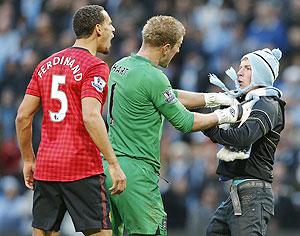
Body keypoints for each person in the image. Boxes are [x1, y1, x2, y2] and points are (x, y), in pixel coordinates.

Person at [103, 15, 244, 236]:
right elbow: (185, 122)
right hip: (137, 174)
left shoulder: (121, 66)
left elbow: (168, 95)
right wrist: (226, 115)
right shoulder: (154, 77)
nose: (178, 52)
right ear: (166, 47)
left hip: (110, 168)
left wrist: (212, 99)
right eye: (177, 47)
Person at [15, 5, 126, 236]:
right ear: (98, 29)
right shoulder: (94, 67)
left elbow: (23, 116)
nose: (113, 30)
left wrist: (28, 159)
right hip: (82, 168)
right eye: (109, 25)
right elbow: (91, 116)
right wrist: (113, 164)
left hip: (46, 167)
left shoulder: (45, 65)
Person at [203, 48, 286, 236]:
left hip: (253, 194)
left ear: (262, 74)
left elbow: (242, 138)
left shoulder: (268, 104)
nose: (239, 72)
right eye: (241, 67)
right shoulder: (245, 103)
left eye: (248, 68)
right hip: (238, 193)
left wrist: (208, 125)